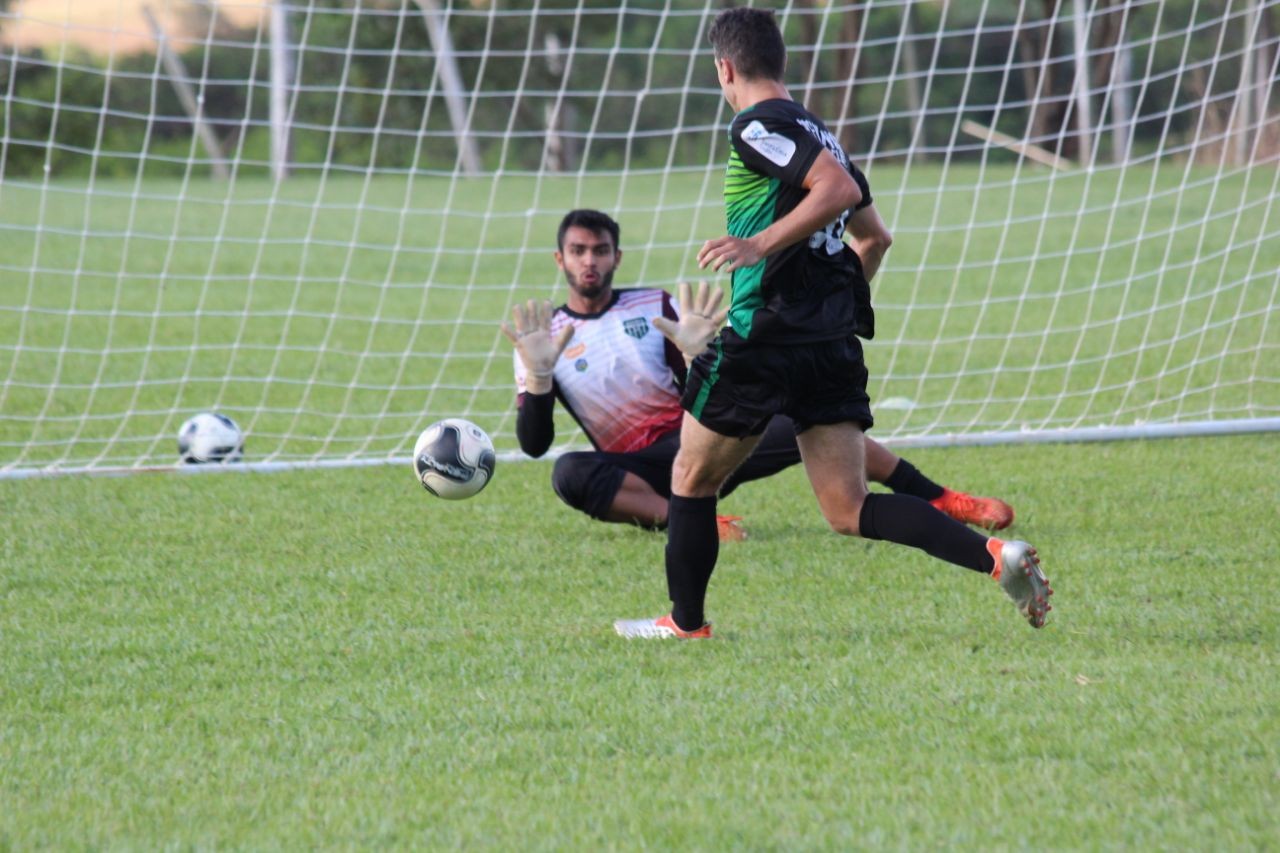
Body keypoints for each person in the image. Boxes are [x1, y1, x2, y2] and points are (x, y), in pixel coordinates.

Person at [610, 8, 1052, 639]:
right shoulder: (822, 131)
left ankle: (686, 625)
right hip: (828, 347)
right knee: (849, 509)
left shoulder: (755, 125)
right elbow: (875, 240)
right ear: (780, 62)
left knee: (690, 477)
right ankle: (994, 558)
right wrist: (831, 312)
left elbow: (837, 191)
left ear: (724, 69)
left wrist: (759, 245)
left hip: (763, 341)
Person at [502, 208, 1015, 543]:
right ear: (560, 259)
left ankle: (943, 499)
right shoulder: (543, 334)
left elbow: (713, 386)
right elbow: (533, 443)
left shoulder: (653, 305)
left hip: (701, 442)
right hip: (636, 469)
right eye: (578, 251)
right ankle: (690, 519)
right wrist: (540, 375)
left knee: (806, 422)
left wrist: (701, 349)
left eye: (599, 250)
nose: (589, 261)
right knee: (568, 472)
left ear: (617, 256)